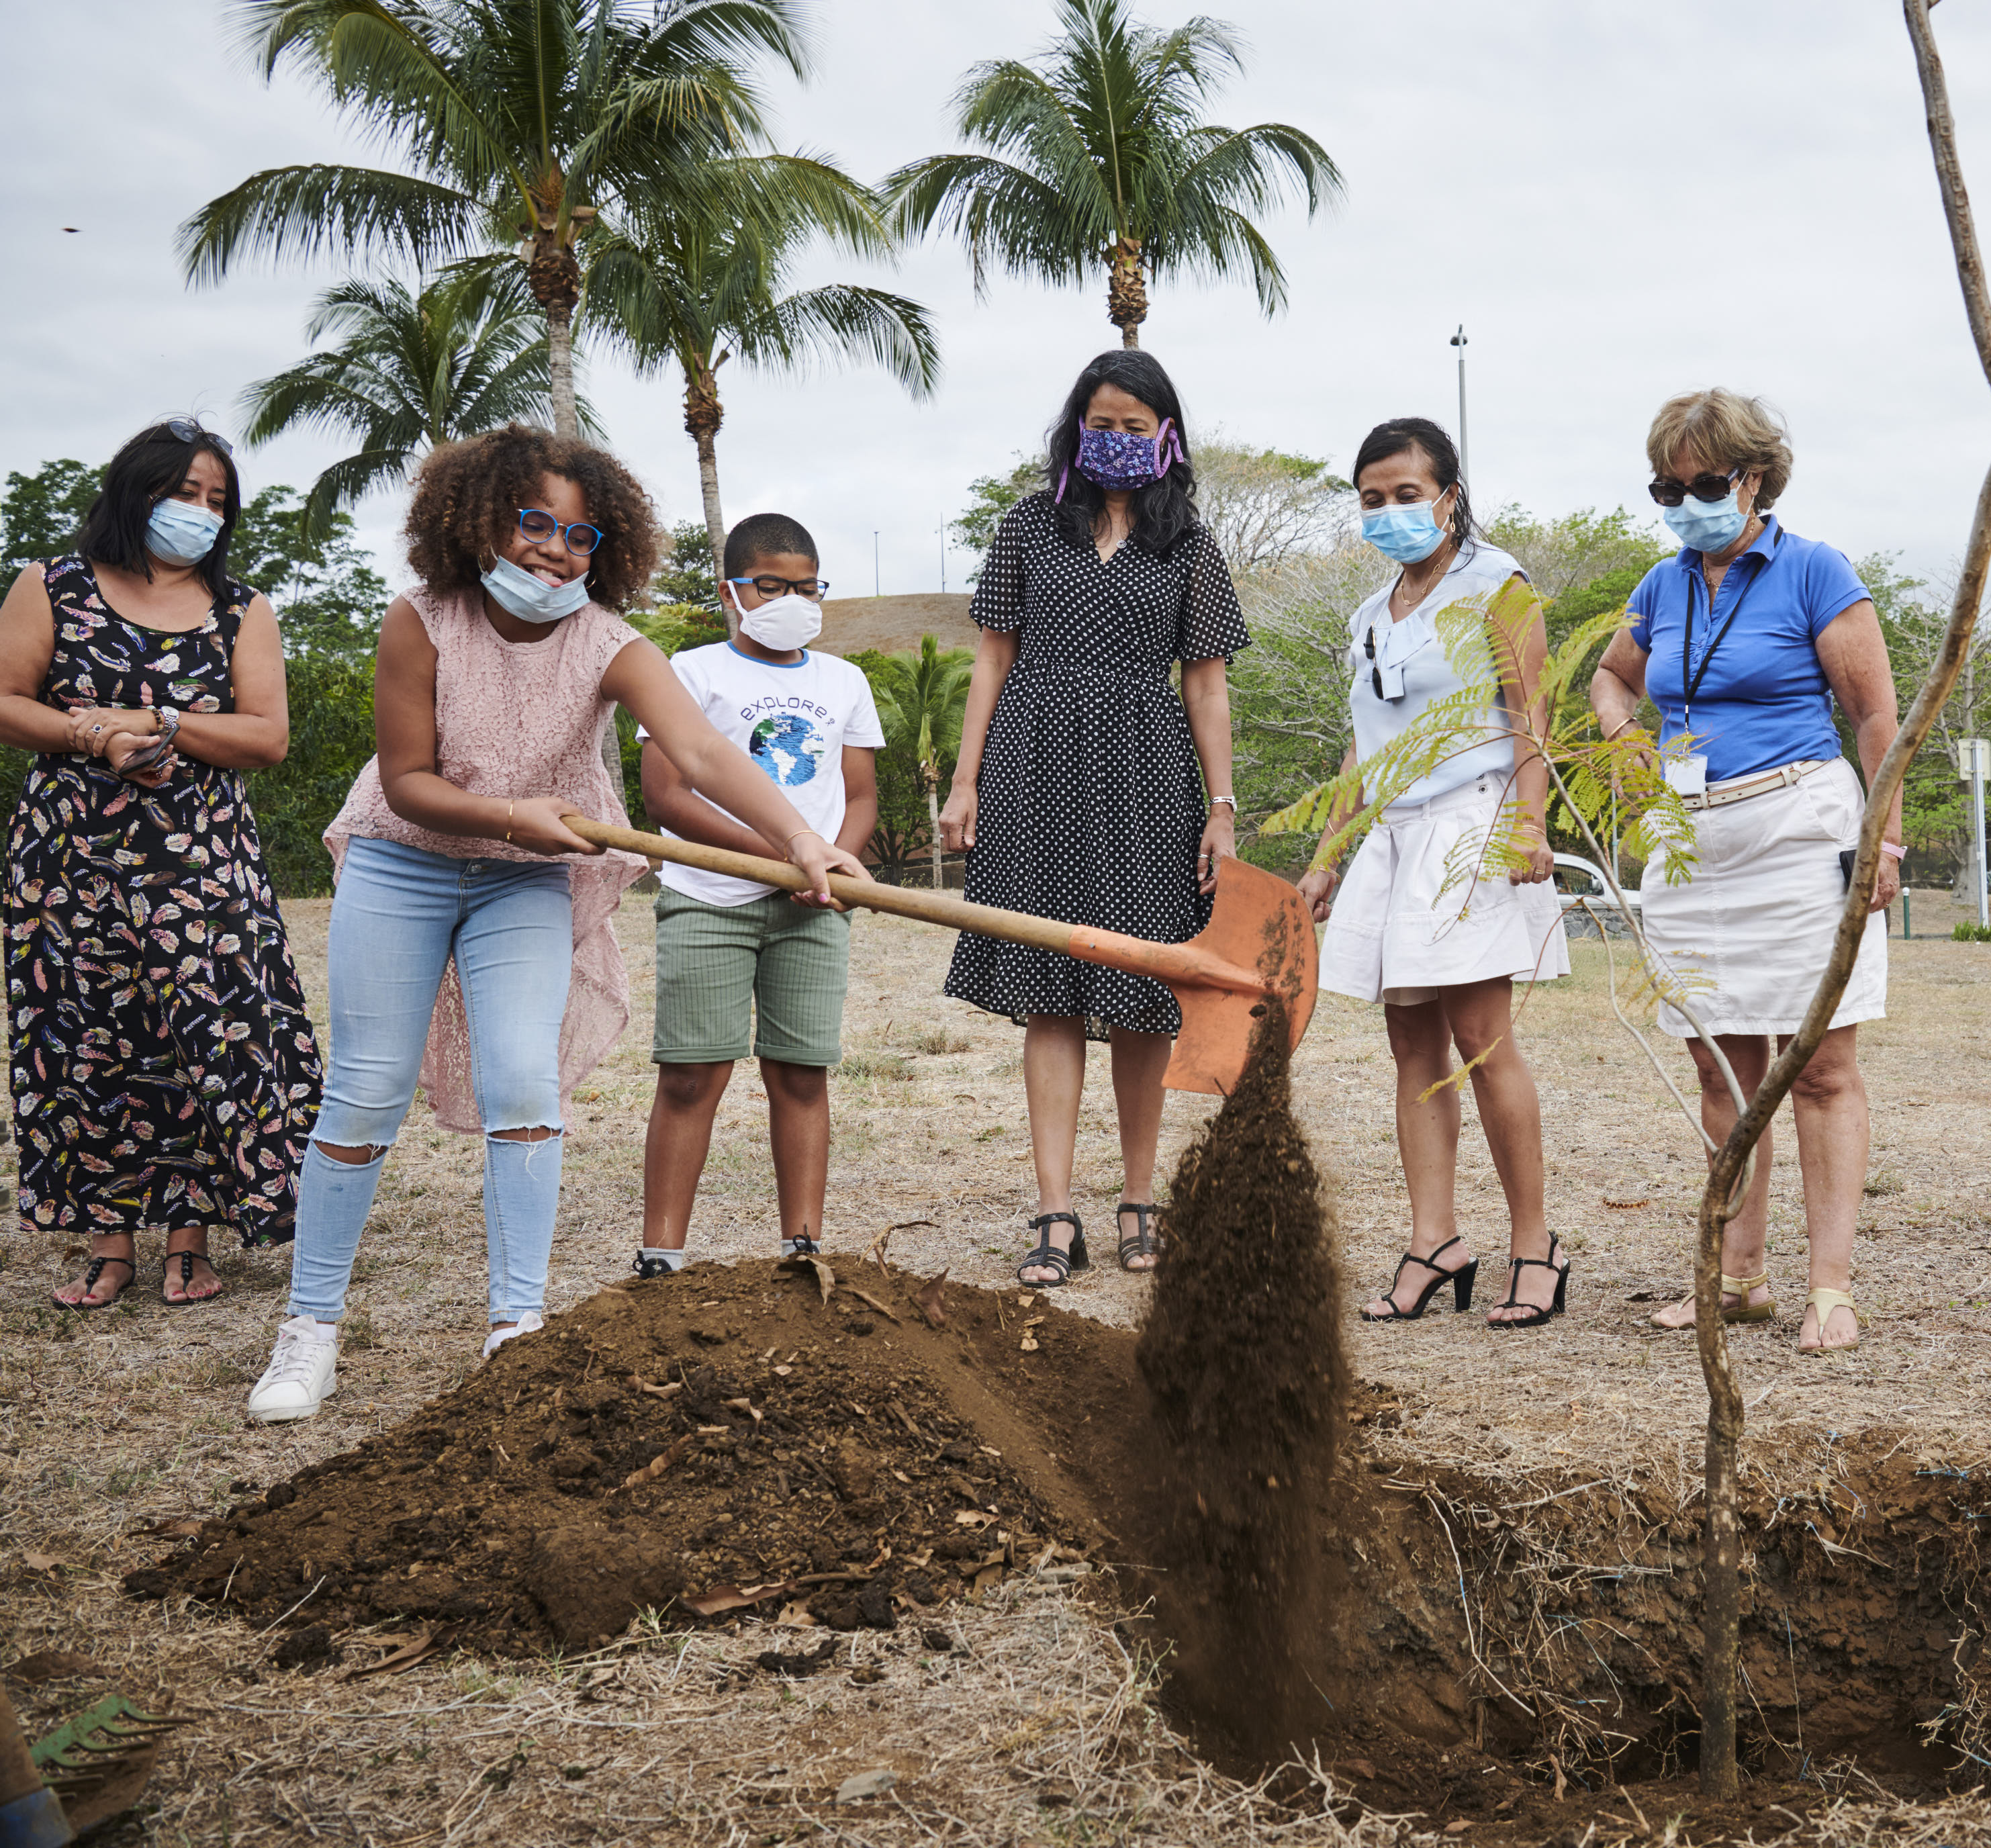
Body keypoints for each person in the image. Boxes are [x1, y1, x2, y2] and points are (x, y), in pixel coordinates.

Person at [243, 426, 863, 1424]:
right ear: (480, 520)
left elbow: (702, 753)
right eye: (535, 523)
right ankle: (309, 1330)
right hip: (405, 860)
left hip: (523, 880)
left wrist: (798, 833)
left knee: (523, 1084)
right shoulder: (422, 621)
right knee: (365, 1091)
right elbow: (405, 784)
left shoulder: (609, 644)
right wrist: (507, 813)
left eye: (582, 536)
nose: (554, 550)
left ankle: (515, 1331)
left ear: (605, 552)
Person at [1589, 390, 1904, 1353]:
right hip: (1692, 840)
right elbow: (1610, 676)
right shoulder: (1662, 584)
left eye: (1704, 484)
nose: (1685, 502)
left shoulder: (1816, 572)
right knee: (1721, 1062)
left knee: (1821, 1065)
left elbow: (1878, 717)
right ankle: (1738, 1280)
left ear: (1753, 478)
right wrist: (1621, 736)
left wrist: (1882, 842)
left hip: (1798, 828)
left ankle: (1831, 1289)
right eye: (1667, 487)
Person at [939, 350, 1248, 1287]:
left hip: (1149, 770)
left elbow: (1206, 683)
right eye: (1100, 423)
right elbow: (992, 659)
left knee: (1144, 986)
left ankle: (1140, 1201)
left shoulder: (1190, 543)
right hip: (1033, 761)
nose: (1115, 439)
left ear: (1167, 435)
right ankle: (1054, 1210)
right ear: (1078, 427)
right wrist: (966, 782)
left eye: (1134, 424)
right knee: (1051, 989)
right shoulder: (1030, 525)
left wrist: (1223, 807)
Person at [0, 419, 320, 1307]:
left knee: (205, 1038)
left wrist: (164, 724)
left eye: (217, 500)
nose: (202, 513)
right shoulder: (52, 586)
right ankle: (109, 1245)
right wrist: (89, 733)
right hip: (70, 861)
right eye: (186, 493)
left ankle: (191, 1240)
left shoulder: (242, 609)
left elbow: (267, 736)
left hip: (202, 864)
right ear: (134, 491)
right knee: (88, 1036)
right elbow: (5, 698)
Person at [1298, 418, 1570, 1328]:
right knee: (1410, 1044)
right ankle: (1435, 1240)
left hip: (1472, 821)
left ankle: (1536, 1247)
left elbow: (1533, 716)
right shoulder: (1371, 617)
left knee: (1482, 1038)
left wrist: (1531, 823)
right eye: (1372, 499)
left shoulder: (1500, 584)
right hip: (1393, 837)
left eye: (1407, 495)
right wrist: (1328, 855)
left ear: (1448, 496)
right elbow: (1362, 746)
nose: (1389, 513)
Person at [634, 512, 881, 1278]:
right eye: (771, 584)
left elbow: (861, 794)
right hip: (708, 898)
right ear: (731, 591)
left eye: (807, 587)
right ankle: (661, 1255)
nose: (791, 599)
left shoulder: (843, 681)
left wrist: (834, 862)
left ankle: (802, 1249)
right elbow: (667, 798)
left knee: (802, 1073)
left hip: (813, 908)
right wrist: (780, 853)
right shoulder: (693, 672)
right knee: (691, 1074)